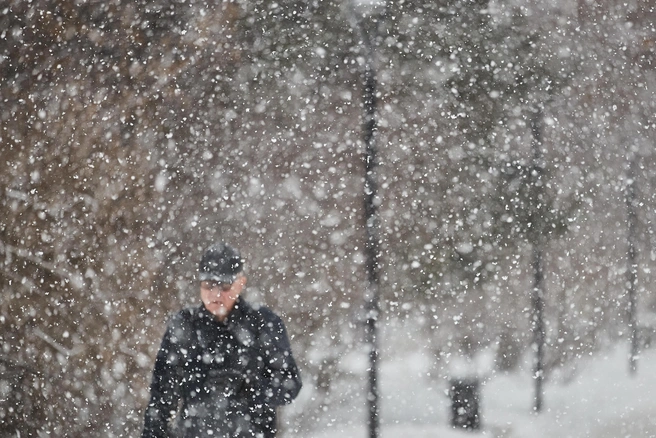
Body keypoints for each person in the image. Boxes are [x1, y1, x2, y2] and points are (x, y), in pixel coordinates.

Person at [142, 242, 302, 438]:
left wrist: (251, 388)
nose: (216, 295)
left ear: (240, 283)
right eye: (209, 285)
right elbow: (160, 399)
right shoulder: (184, 325)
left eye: (225, 286)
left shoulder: (263, 324)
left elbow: (290, 384)